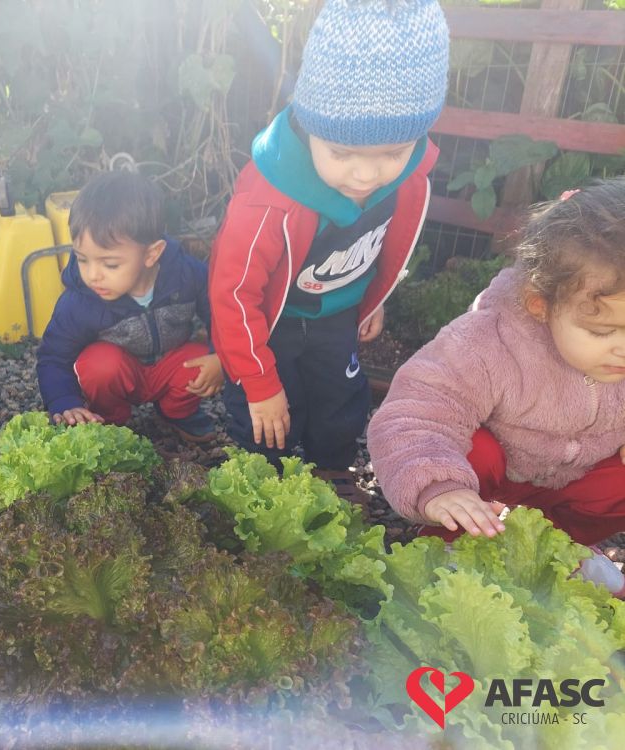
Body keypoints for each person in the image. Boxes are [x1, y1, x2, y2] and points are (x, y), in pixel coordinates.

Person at [209, 0, 449, 472]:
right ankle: (264, 485)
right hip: (271, 325)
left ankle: (334, 472)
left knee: (341, 403)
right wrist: (259, 382)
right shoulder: (266, 201)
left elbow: (376, 246)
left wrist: (373, 299)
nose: (366, 175)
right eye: (341, 152)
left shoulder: (406, 177)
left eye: (392, 153)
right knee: (270, 420)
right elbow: (232, 296)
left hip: (336, 316)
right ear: (309, 125)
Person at [368, 180, 625, 597]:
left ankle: (560, 549)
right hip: (491, 489)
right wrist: (439, 487)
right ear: (540, 304)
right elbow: (415, 412)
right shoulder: (487, 342)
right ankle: (454, 543)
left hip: (572, 486)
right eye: (601, 330)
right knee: (477, 448)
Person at [36, 170, 222, 441]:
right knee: (98, 366)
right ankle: (110, 421)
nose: (93, 275)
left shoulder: (184, 274)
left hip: (169, 363)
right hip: (118, 371)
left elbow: (220, 312)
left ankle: (177, 412)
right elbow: (53, 356)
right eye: (83, 259)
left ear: (152, 254)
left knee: (203, 358)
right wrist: (63, 400)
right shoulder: (79, 301)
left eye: (110, 264)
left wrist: (220, 356)